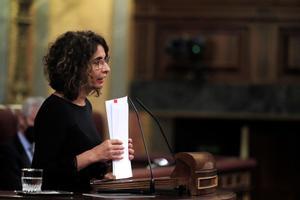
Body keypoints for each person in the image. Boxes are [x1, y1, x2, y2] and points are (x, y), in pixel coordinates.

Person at [31, 30, 134, 192]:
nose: (106, 68)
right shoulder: (54, 109)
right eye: (97, 62)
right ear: (76, 66)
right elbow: (44, 173)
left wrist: (111, 158)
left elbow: (82, 168)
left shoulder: (85, 105)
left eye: (105, 60)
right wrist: (96, 153)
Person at [0, 97, 44, 190]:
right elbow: (14, 187)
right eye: (34, 121)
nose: (38, 127)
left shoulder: (42, 148)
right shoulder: (7, 151)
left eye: (42, 123)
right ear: (21, 119)